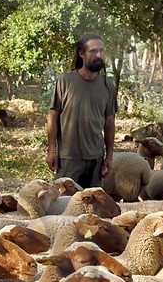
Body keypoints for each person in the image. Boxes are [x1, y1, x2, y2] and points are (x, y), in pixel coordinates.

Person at [46, 32, 116, 188]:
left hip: (96, 158)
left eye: (101, 51)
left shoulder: (107, 85)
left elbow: (110, 121)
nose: (99, 55)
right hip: (69, 158)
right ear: (81, 53)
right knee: (64, 200)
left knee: (93, 201)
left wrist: (109, 157)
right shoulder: (65, 81)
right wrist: (52, 150)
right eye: (93, 51)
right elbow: (52, 117)